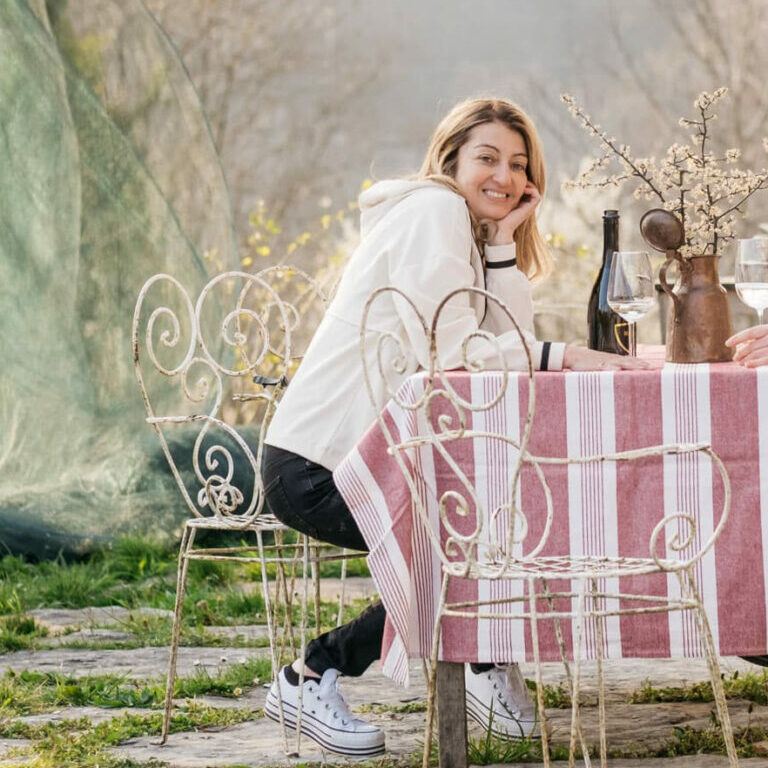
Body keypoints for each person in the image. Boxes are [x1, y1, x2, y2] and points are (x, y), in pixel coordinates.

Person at [260, 96, 648, 757]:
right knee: (473, 557)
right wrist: (570, 356)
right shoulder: (433, 211)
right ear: (451, 159)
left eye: (519, 165)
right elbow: (456, 352)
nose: (505, 177)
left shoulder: (460, 229)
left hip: (362, 458)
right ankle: (314, 675)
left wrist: (502, 246)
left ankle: (482, 663)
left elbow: (500, 344)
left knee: (494, 535)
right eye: (487, 158)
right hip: (319, 467)